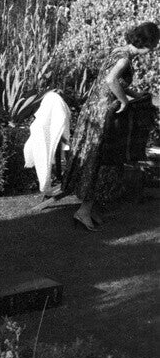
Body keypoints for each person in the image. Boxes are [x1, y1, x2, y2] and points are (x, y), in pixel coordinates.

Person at [62, 21, 160, 231]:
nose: (153, 49)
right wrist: (124, 101)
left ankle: (90, 208)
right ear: (147, 43)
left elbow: (116, 82)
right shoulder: (124, 59)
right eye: (154, 44)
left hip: (94, 110)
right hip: (103, 113)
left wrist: (134, 94)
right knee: (101, 160)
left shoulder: (118, 51)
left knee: (96, 160)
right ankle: (84, 211)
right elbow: (110, 80)